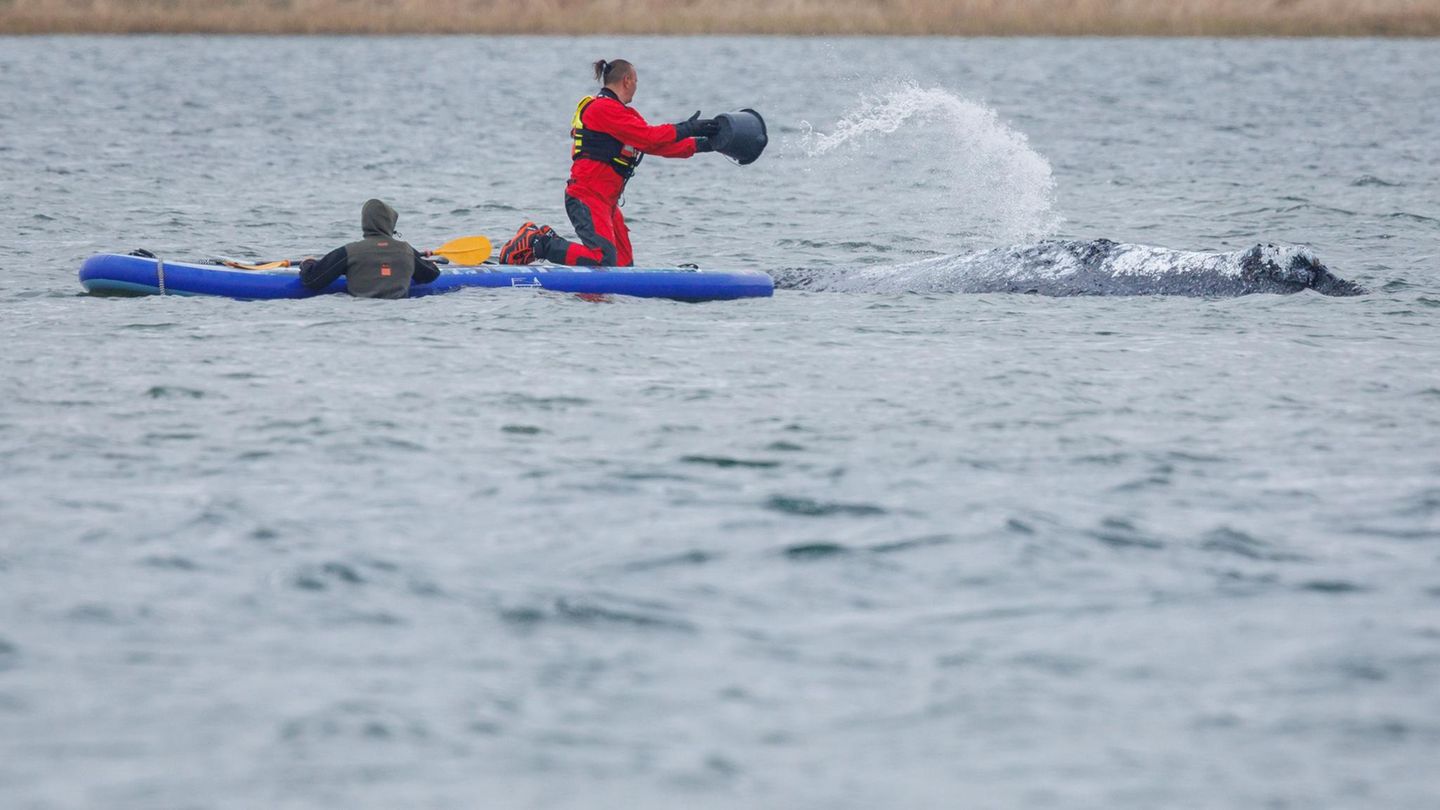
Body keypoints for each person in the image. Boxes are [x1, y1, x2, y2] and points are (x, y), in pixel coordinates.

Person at [498, 59, 721, 267]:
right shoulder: (602, 108)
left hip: (607, 203)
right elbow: (650, 137)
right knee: (603, 261)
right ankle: (538, 242)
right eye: (636, 81)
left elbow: (654, 145)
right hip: (587, 196)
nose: (636, 86)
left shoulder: (626, 114)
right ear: (627, 80)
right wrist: (689, 127)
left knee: (623, 267)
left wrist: (705, 144)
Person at [299, 199, 441, 299]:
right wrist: (431, 264)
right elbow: (430, 275)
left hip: (360, 314)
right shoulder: (406, 250)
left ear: (365, 222)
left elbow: (313, 281)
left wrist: (308, 263)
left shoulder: (350, 251)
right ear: (390, 223)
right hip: (400, 314)